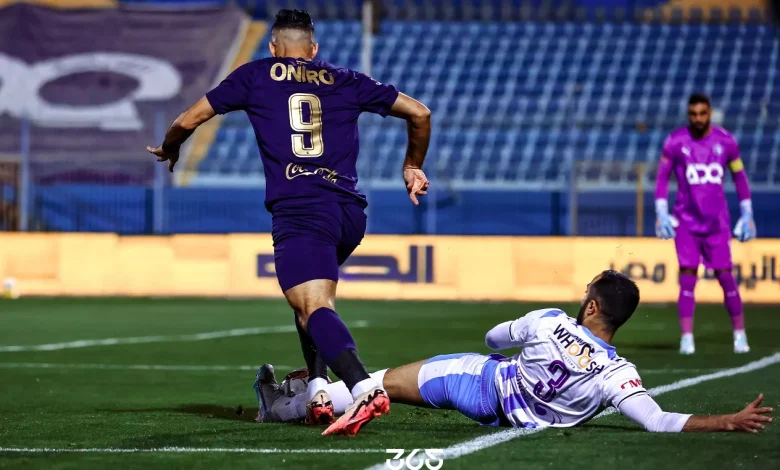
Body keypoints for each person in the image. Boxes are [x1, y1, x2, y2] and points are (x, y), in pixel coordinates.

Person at [146, 9, 432, 436]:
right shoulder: (345, 78)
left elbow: (187, 120)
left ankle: (362, 387)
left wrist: (171, 147)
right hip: (348, 213)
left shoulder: (255, 75)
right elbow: (420, 113)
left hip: (301, 209)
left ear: (273, 47)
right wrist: (411, 165)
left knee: (313, 307)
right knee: (310, 307)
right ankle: (317, 388)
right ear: (313, 49)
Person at [256, 270, 773, 434]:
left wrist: (519, 332)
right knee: (387, 382)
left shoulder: (549, 321)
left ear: (593, 306)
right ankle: (309, 397)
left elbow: (493, 340)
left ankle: (288, 404)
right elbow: (657, 421)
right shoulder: (618, 372)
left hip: (480, 382)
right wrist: (727, 421)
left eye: (587, 294)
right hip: (515, 418)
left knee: (380, 380)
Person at [654, 94, 756, 355]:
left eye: (702, 113)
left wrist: (747, 213)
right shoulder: (676, 141)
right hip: (686, 222)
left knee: (726, 276)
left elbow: (740, 177)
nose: (698, 118)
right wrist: (661, 212)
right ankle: (687, 338)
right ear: (688, 115)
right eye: (693, 114)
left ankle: (739, 335)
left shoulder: (726, 141)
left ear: (709, 113)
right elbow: (662, 178)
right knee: (687, 277)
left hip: (716, 224)